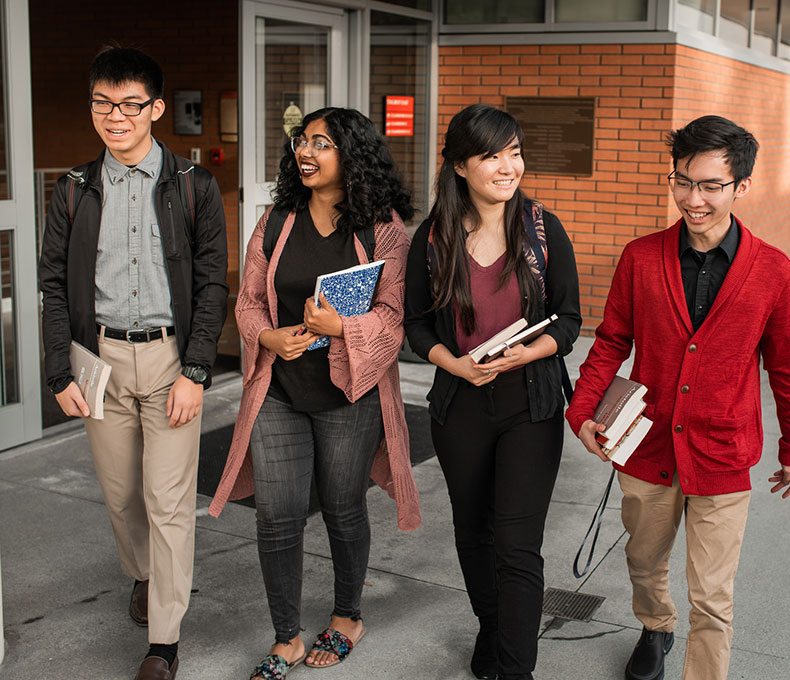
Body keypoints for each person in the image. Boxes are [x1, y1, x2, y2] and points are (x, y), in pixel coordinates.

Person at [565, 115, 790, 680]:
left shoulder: (773, 271)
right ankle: (655, 627)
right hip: (647, 449)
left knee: (714, 596)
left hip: (723, 452)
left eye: (708, 185)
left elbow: (786, 367)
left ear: (740, 187)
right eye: (681, 181)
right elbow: (610, 341)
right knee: (643, 563)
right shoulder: (641, 257)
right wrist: (582, 411)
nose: (691, 198)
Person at [208, 107, 422, 679]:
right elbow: (249, 299)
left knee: (342, 508)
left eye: (321, 143)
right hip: (279, 389)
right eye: (303, 142)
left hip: (348, 397)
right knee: (276, 516)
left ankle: (348, 616)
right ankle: (287, 638)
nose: (306, 152)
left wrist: (341, 331)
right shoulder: (276, 221)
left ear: (352, 155)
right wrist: (265, 335)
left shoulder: (383, 230)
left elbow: (394, 318)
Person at [37, 47, 228, 680]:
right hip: (102, 361)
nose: (114, 116)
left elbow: (210, 286)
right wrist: (60, 373)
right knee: (122, 498)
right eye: (103, 104)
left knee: (167, 501)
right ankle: (143, 576)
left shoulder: (192, 186)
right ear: (92, 106)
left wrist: (196, 371)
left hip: (171, 358)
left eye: (129, 105)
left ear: (155, 108)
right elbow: (53, 286)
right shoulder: (72, 190)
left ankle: (163, 643)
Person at [404, 104, 581, 680]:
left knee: (517, 545)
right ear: (459, 166)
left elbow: (570, 320)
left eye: (515, 152)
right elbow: (416, 325)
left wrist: (532, 351)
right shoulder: (433, 238)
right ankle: (494, 625)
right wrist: (451, 363)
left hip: (530, 404)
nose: (509, 167)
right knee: (473, 533)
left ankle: (515, 667)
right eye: (491, 156)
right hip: (460, 407)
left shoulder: (542, 229)